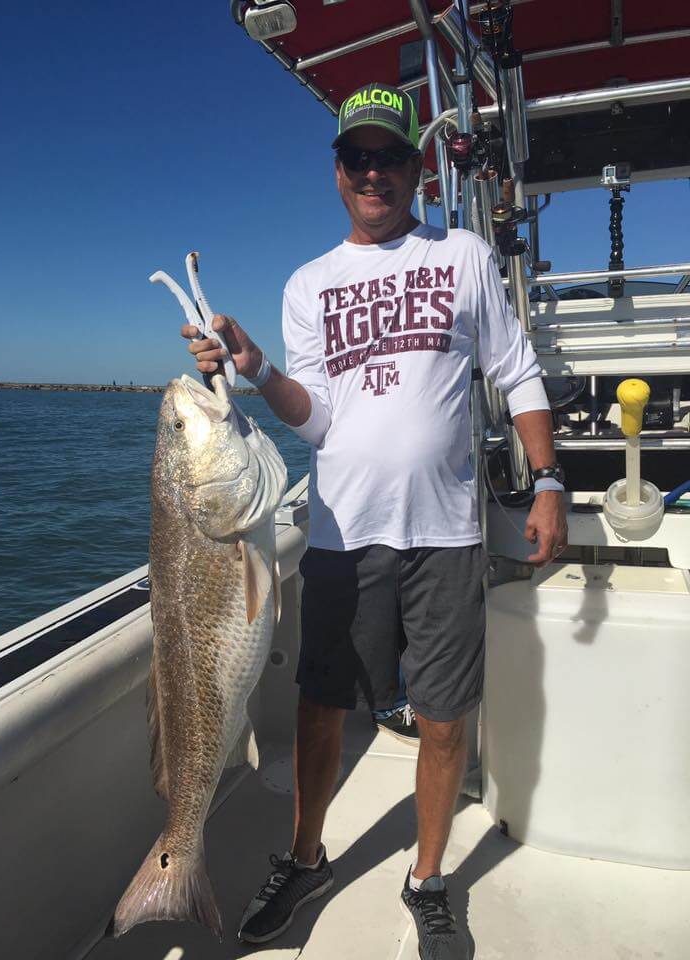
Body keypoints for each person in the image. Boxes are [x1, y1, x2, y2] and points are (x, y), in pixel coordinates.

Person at [181, 82, 567, 959]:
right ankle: (305, 855)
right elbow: (314, 420)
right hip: (339, 534)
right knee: (320, 707)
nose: (372, 172)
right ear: (338, 171)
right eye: (356, 158)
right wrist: (256, 367)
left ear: (414, 168)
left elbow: (517, 371)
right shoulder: (309, 283)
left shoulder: (462, 253)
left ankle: (427, 877)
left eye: (389, 157)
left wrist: (548, 481)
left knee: (441, 717)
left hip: (445, 533)